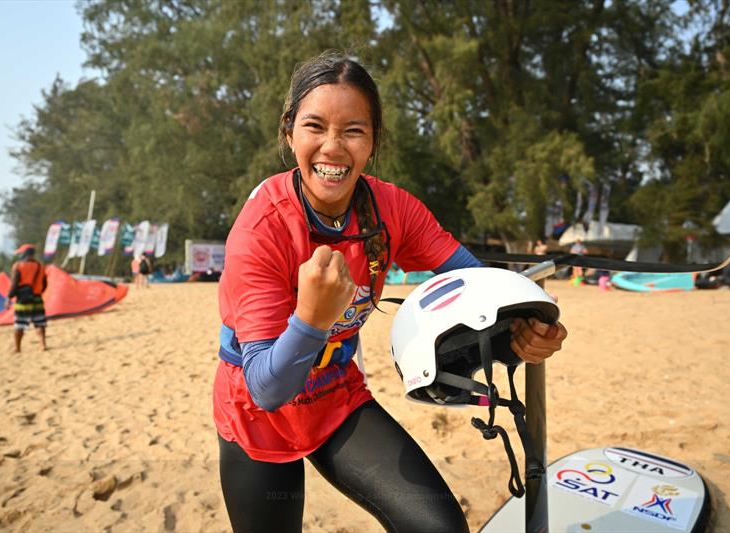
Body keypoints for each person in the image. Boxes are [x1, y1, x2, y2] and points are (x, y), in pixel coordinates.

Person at [214, 51, 568, 533]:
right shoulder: (262, 229)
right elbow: (267, 388)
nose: (333, 148)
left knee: (439, 528)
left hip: (336, 397)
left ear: (374, 139)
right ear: (289, 130)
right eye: (315, 126)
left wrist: (529, 326)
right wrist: (313, 319)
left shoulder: (392, 209)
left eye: (353, 131)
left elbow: (479, 285)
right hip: (256, 413)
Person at [7, 244, 47, 352]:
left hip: (23, 300)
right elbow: (44, 284)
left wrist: (9, 297)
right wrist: (37, 292)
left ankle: (17, 347)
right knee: (40, 322)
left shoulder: (18, 266)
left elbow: (14, 283)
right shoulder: (40, 266)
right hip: (37, 298)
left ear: (24, 254)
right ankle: (42, 344)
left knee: (19, 324)